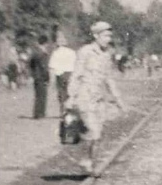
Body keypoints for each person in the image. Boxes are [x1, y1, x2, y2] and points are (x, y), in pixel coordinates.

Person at [66, 21, 127, 176]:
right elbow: (76, 75)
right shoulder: (85, 52)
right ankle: (86, 160)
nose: (108, 39)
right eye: (105, 35)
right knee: (94, 132)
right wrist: (71, 96)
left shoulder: (107, 54)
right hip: (85, 97)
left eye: (109, 36)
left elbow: (109, 79)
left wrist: (118, 99)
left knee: (98, 133)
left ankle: (89, 161)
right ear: (95, 35)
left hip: (100, 99)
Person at [49, 35, 76, 115]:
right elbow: (75, 64)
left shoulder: (56, 52)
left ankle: (62, 109)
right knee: (69, 93)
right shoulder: (72, 52)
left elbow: (52, 66)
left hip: (60, 74)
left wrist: (52, 78)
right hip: (69, 74)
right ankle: (68, 110)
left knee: (61, 93)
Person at [28, 38, 50, 120]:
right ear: (45, 43)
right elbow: (44, 66)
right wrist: (47, 77)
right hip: (41, 76)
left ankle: (38, 112)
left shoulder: (34, 52)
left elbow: (31, 64)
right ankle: (39, 113)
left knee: (38, 95)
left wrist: (33, 73)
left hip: (36, 76)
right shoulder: (42, 53)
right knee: (42, 95)